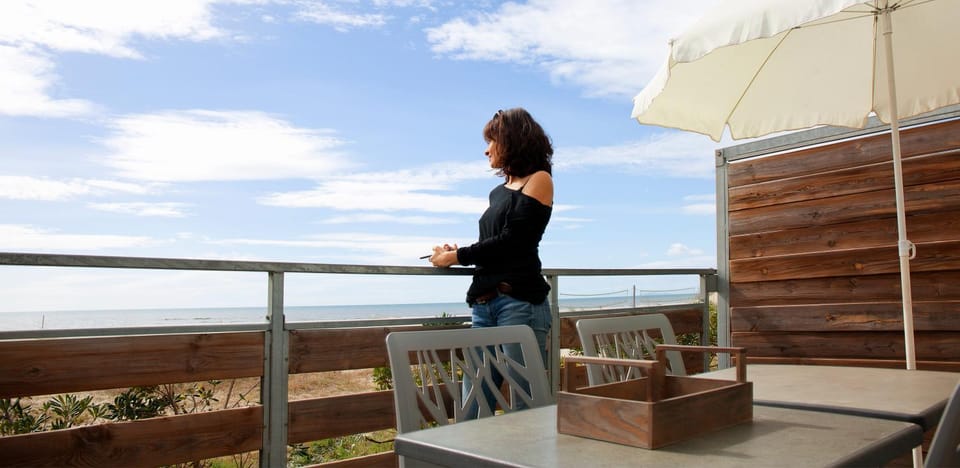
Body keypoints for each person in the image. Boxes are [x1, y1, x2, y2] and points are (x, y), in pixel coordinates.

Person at [429, 107, 554, 414]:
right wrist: (453, 252)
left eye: (492, 140)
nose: (486, 149)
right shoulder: (496, 193)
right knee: (473, 403)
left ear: (511, 141)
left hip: (518, 302)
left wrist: (455, 257)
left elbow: (513, 242)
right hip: (484, 305)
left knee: (527, 403)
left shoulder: (539, 180)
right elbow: (492, 245)